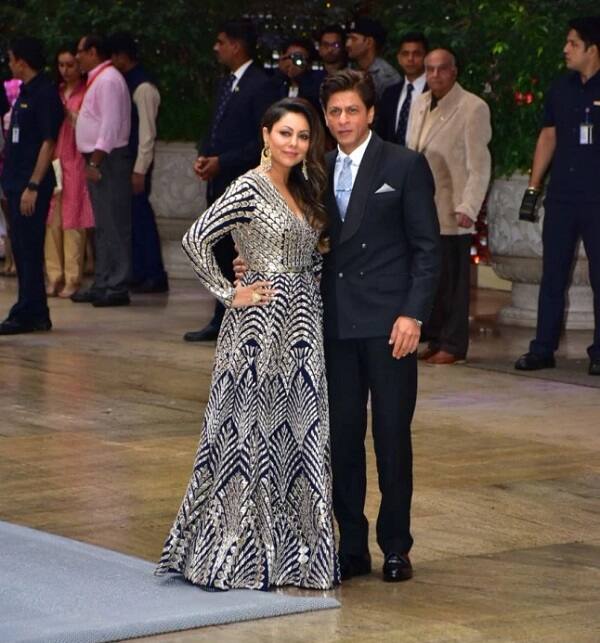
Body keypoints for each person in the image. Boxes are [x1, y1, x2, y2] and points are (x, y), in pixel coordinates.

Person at [155, 98, 338, 591]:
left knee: (298, 434)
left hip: (303, 327)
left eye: (302, 136)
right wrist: (230, 292)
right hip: (259, 327)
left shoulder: (305, 186)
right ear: (265, 135)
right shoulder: (248, 186)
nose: (294, 143)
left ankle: (296, 556)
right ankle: (237, 552)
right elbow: (196, 239)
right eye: (285, 133)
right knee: (248, 436)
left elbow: (312, 256)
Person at [319, 70, 440, 582]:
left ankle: (395, 546)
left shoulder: (404, 164)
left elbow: (428, 249)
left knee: (391, 437)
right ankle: (351, 547)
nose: (343, 120)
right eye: (334, 111)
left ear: (370, 113)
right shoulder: (317, 168)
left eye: (352, 110)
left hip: (391, 325)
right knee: (343, 440)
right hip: (336, 324)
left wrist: (413, 314)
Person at [515, 16, 600, 376]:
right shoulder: (560, 88)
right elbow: (548, 136)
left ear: (593, 49)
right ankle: (542, 348)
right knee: (552, 274)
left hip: (597, 199)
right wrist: (533, 188)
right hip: (563, 196)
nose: (565, 49)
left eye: (573, 43)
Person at [184, 19, 271, 342]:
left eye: (221, 42)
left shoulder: (261, 85)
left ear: (237, 45)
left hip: (242, 181)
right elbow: (215, 126)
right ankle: (221, 315)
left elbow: (260, 140)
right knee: (219, 248)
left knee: (239, 253)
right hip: (219, 182)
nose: (216, 48)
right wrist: (205, 155)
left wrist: (224, 161)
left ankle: (240, 317)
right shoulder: (225, 83)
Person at [407, 48, 491, 365]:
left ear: (454, 71)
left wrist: (469, 205)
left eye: (441, 69)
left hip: (453, 206)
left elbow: (479, 165)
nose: (435, 75)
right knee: (433, 276)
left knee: (454, 280)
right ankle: (435, 336)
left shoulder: (472, 107)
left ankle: (453, 344)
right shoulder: (420, 103)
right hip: (421, 204)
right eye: (429, 69)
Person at [0, 37, 63, 335]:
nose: (9, 64)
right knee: (22, 247)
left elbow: (48, 142)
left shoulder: (44, 93)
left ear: (22, 62)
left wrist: (34, 185)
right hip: (15, 181)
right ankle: (31, 309)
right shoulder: (24, 92)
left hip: (30, 184)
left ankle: (30, 311)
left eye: (11, 59)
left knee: (29, 248)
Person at [73, 33, 132, 307]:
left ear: (93, 52)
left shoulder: (108, 79)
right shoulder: (100, 78)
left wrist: (95, 161)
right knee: (103, 224)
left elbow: (109, 125)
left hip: (108, 159)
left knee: (114, 223)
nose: (77, 56)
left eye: (80, 51)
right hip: (100, 158)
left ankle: (117, 285)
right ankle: (103, 281)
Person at [109, 31, 169, 294]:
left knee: (141, 217)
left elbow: (147, 133)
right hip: (126, 162)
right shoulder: (126, 82)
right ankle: (137, 271)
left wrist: (140, 169)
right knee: (131, 218)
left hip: (137, 163)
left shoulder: (143, 87)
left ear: (123, 56)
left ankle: (154, 273)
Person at [45, 44, 94, 299]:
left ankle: (73, 277)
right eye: (61, 65)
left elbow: (88, 124)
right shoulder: (55, 91)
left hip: (75, 160)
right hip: (54, 160)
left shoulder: (87, 92)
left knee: (73, 219)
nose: (65, 70)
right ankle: (54, 275)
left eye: (70, 65)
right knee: (51, 220)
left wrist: (68, 114)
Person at [375, 32, 428, 145]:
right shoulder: (390, 93)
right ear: (399, 58)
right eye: (405, 54)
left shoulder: (434, 92)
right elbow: (381, 133)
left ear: (426, 57)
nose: (410, 59)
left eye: (417, 54)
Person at [345, 17, 400, 100]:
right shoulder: (350, 69)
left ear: (369, 42)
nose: (348, 44)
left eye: (353, 39)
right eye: (348, 38)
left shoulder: (387, 77)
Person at [268, 38, 325, 114]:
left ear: (309, 63)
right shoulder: (275, 84)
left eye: (298, 58)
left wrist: (300, 78)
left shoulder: (318, 83)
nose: (293, 62)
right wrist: (282, 72)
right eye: (290, 57)